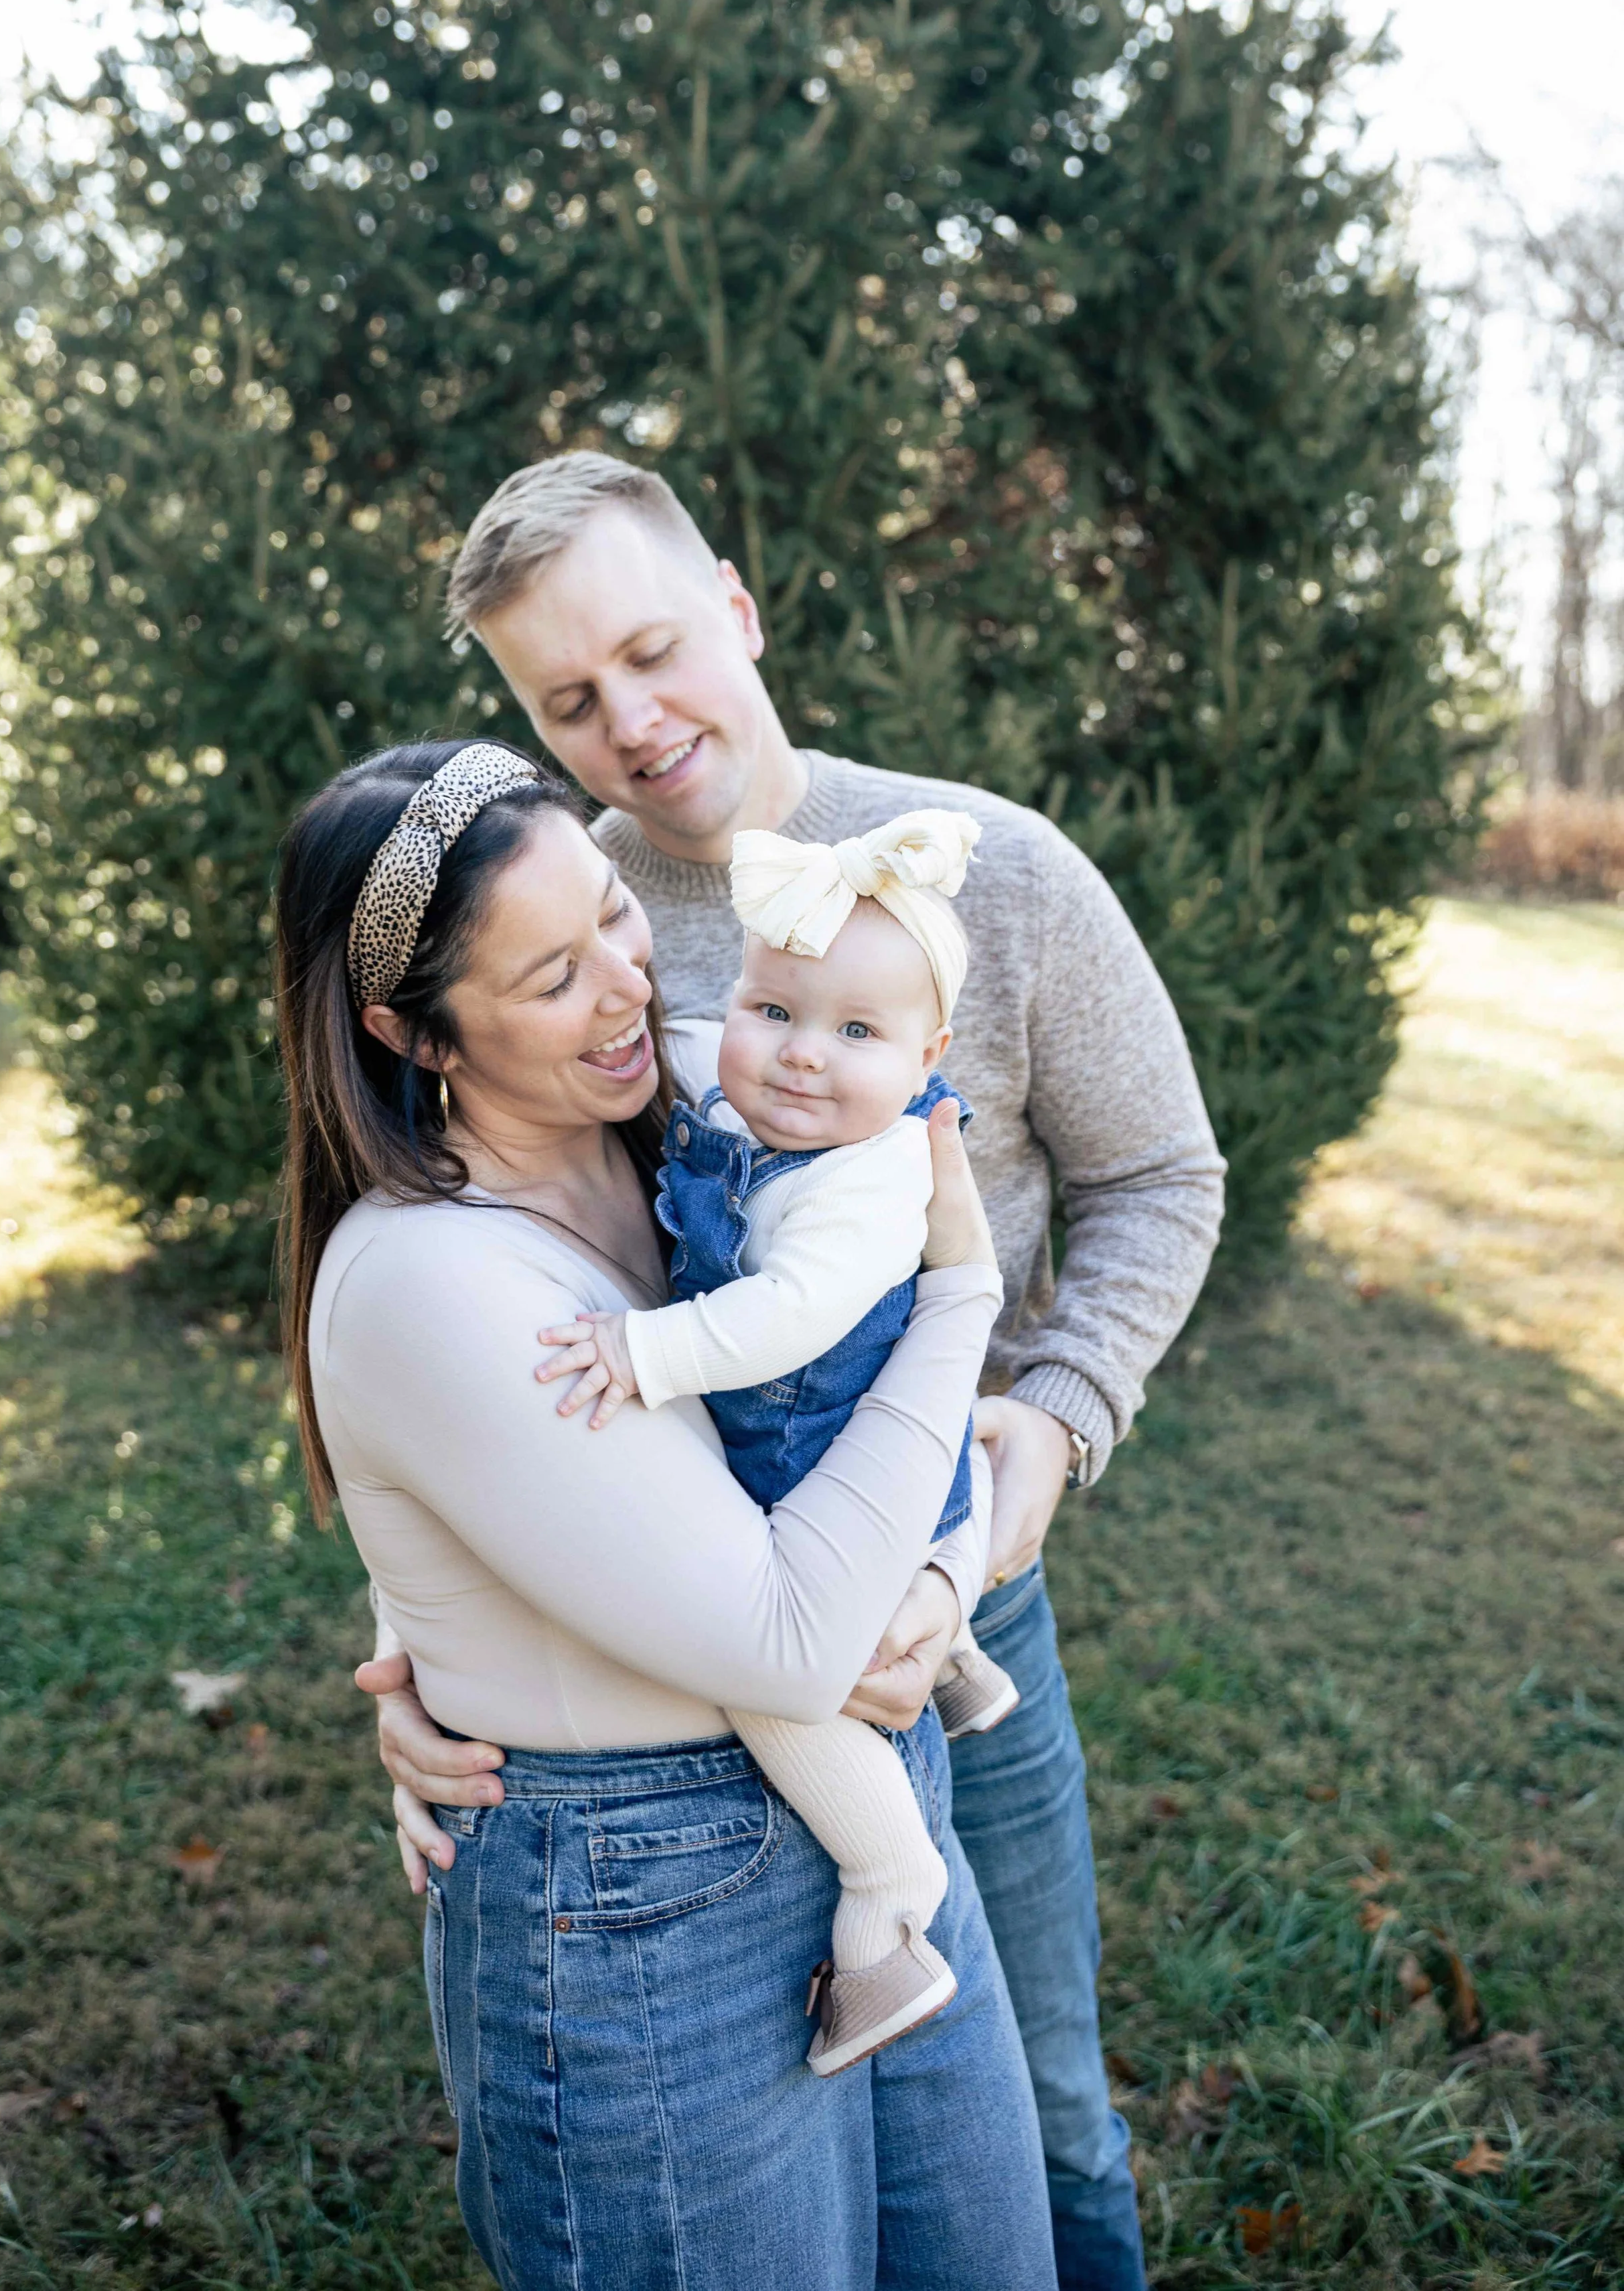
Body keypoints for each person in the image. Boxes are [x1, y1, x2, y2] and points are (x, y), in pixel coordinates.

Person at [365, 451, 1227, 2289]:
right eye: (567, 700)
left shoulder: (985, 873)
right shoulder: (549, 929)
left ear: (738, 609)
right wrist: (425, 1647)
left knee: (1042, 2103)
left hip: (959, 1592)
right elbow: (481, 1296)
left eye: (654, 652)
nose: (632, 723)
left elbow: (1161, 1174)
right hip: (688, 1641)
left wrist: (1046, 1427)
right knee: (829, 2150)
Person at [278, 738, 1057, 2289]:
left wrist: (938, 1578)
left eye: (615, 917)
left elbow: (880, 1439)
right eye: (553, 975)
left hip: (869, 1808)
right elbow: (784, 1633)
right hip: (645, 1912)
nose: (633, 988)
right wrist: (963, 1300)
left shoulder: (704, 1091)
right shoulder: (434, 1281)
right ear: (410, 1032)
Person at [536, 807, 1021, 2077]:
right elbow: (691, 1037)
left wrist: (646, 1352)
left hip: (831, 1463)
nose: (802, 1057)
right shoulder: (729, 1072)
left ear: (929, 1056)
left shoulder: (874, 1178)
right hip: (861, 1453)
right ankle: (960, 1659)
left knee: (768, 1681)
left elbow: (789, 1313)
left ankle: (884, 1880)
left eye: (858, 1033)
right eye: (775, 1012)